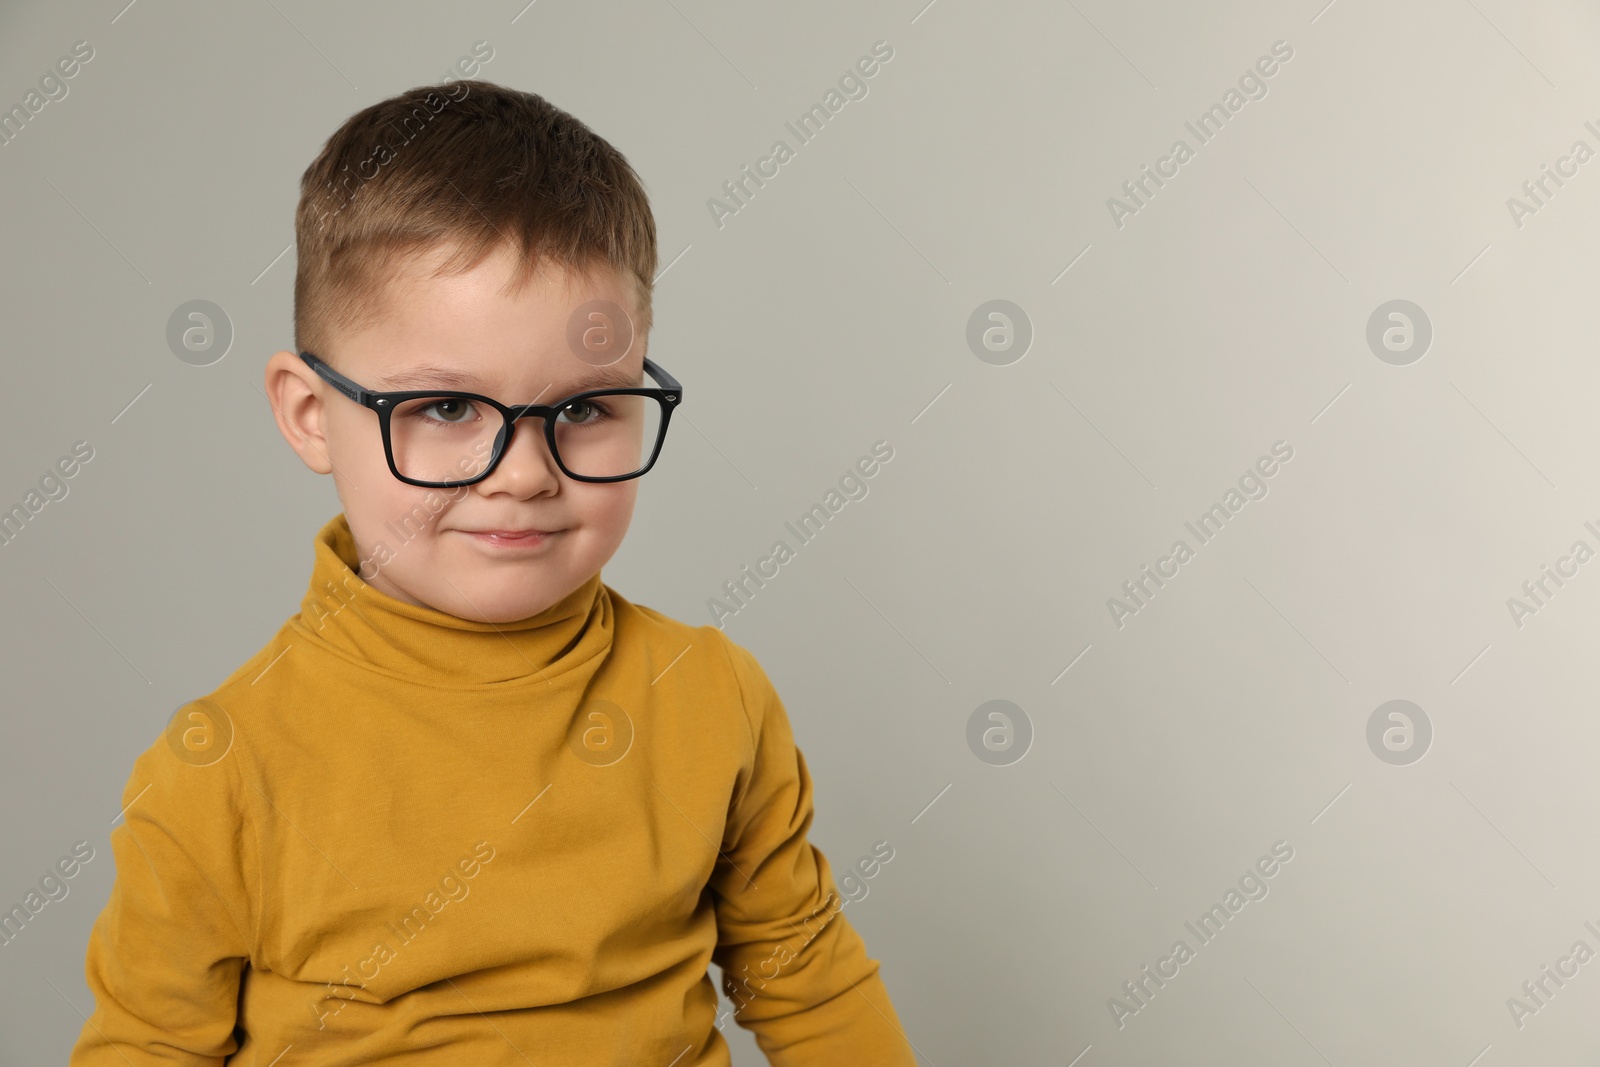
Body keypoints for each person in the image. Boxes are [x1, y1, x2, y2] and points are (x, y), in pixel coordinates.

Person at [69, 78, 917, 1066]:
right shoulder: (220, 764)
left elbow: (800, 965)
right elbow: (148, 1046)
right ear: (310, 414)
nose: (523, 474)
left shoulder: (710, 694)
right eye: (443, 409)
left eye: (584, 410)